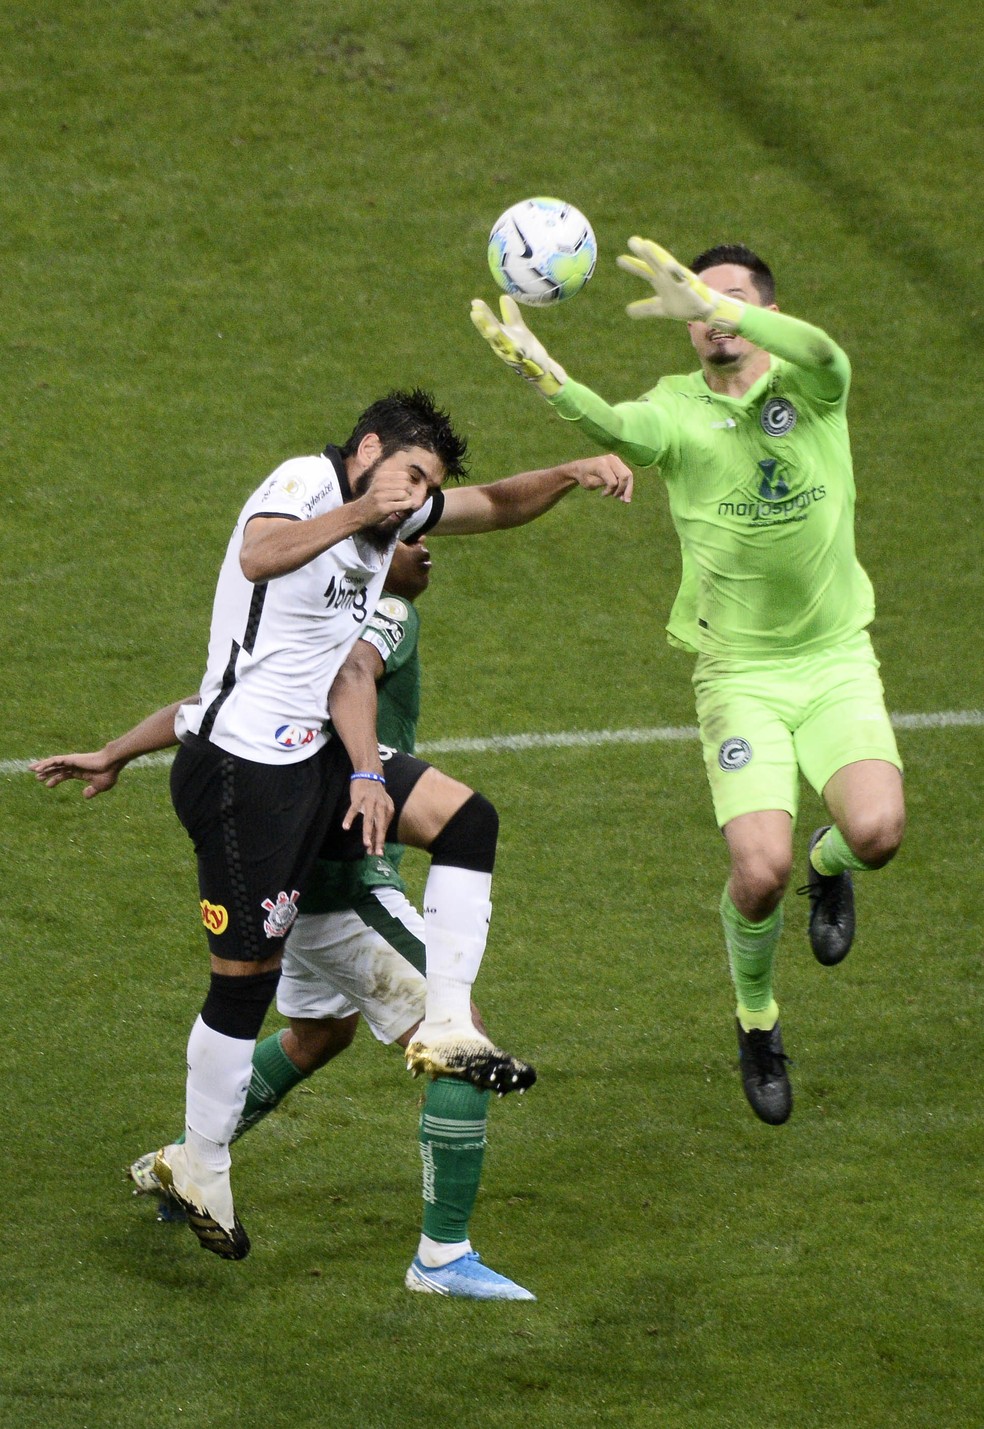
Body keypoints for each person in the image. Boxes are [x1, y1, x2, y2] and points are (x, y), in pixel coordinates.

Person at [31, 387, 633, 1260]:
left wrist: (573, 473)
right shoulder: (306, 482)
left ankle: (451, 1019)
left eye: (427, 484)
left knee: (469, 822)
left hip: (313, 760)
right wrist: (361, 510)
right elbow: (259, 554)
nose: (419, 498)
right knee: (244, 988)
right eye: (411, 473)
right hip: (243, 778)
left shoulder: (393, 515)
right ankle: (199, 1163)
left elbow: (497, 504)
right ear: (370, 448)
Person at [471, 242, 905, 1126]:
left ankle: (835, 866)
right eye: (699, 302)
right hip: (739, 674)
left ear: (760, 310)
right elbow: (619, 431)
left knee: (879, 831)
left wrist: (733, 305)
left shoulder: (809, 384)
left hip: (833, 661)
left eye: (730, 300)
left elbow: (827, 351)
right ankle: (757, 1019)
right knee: (758, 874)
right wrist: (550, 379)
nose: (711, 313)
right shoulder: (676, 408)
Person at [117, 541, 536, 1299]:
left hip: (293, 886)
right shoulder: (389, 610)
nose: (423, 550)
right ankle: (442, 1256)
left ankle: (189, 1157)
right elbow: (359, 669)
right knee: (459, 1035)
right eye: (406, 537)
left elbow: (197, 712)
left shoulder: (297, 630)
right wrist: (371, 769)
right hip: (350, 893)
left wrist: (113, 752)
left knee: (320, 1033)